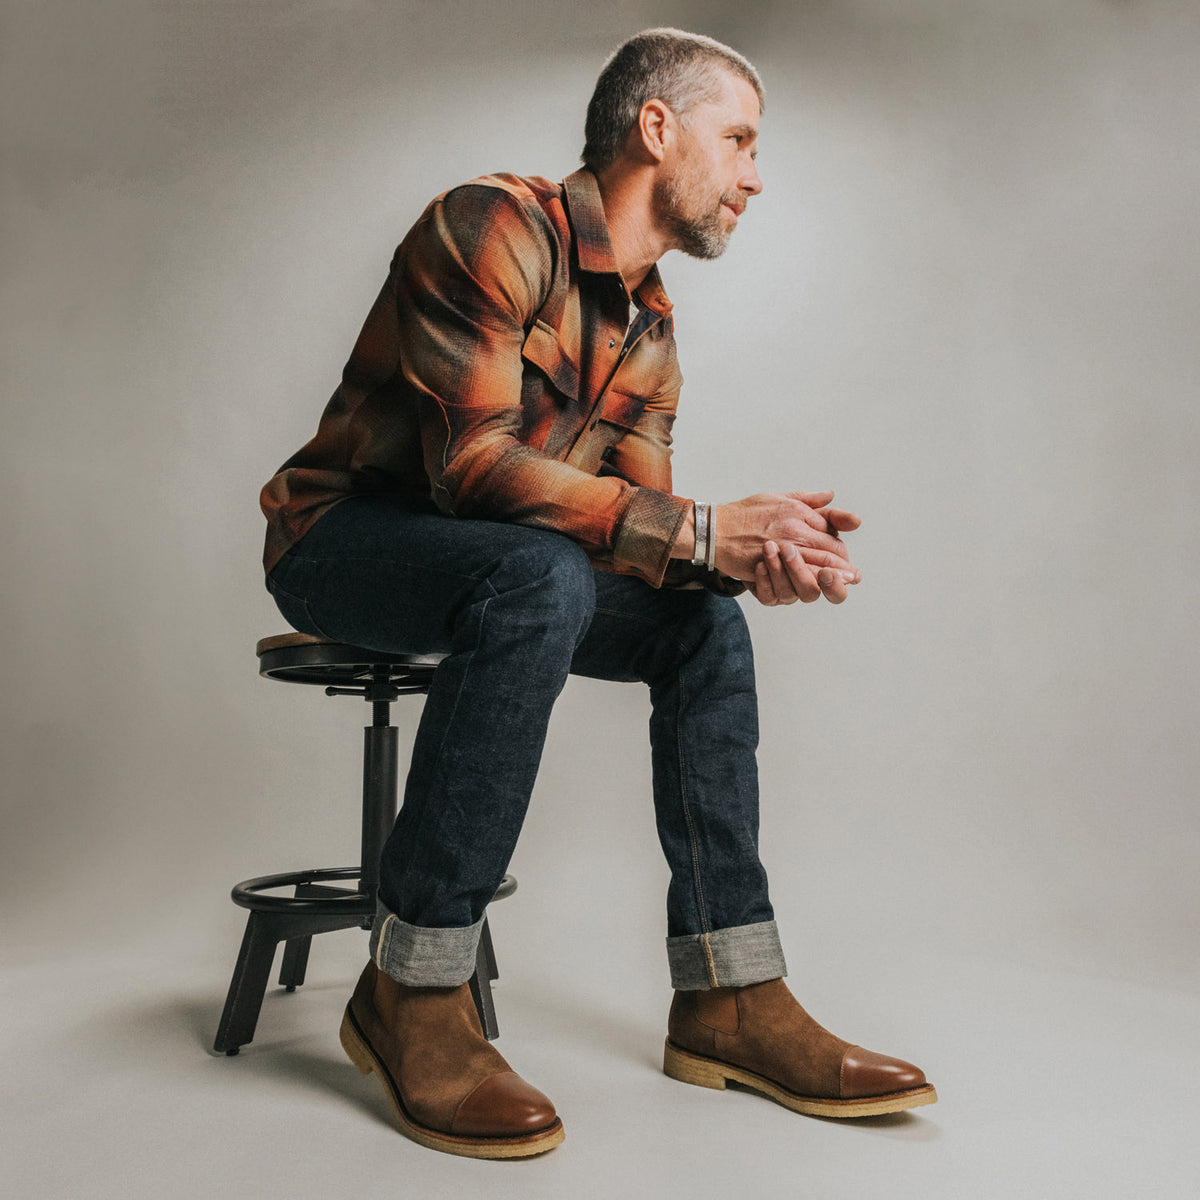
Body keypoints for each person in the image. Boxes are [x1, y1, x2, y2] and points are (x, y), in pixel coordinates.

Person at [259, 27, 935, 1159]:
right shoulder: (491, 224)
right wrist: (708, 528)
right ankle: (413, 988)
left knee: (698, 624)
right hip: (343, 537)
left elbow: (634, 539)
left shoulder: (652, 328)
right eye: (741, 140)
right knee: (534, 572)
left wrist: (734, 560)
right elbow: (470, 467)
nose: (756, 174)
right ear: (656, 129)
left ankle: (727, 993)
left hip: (507, 565)